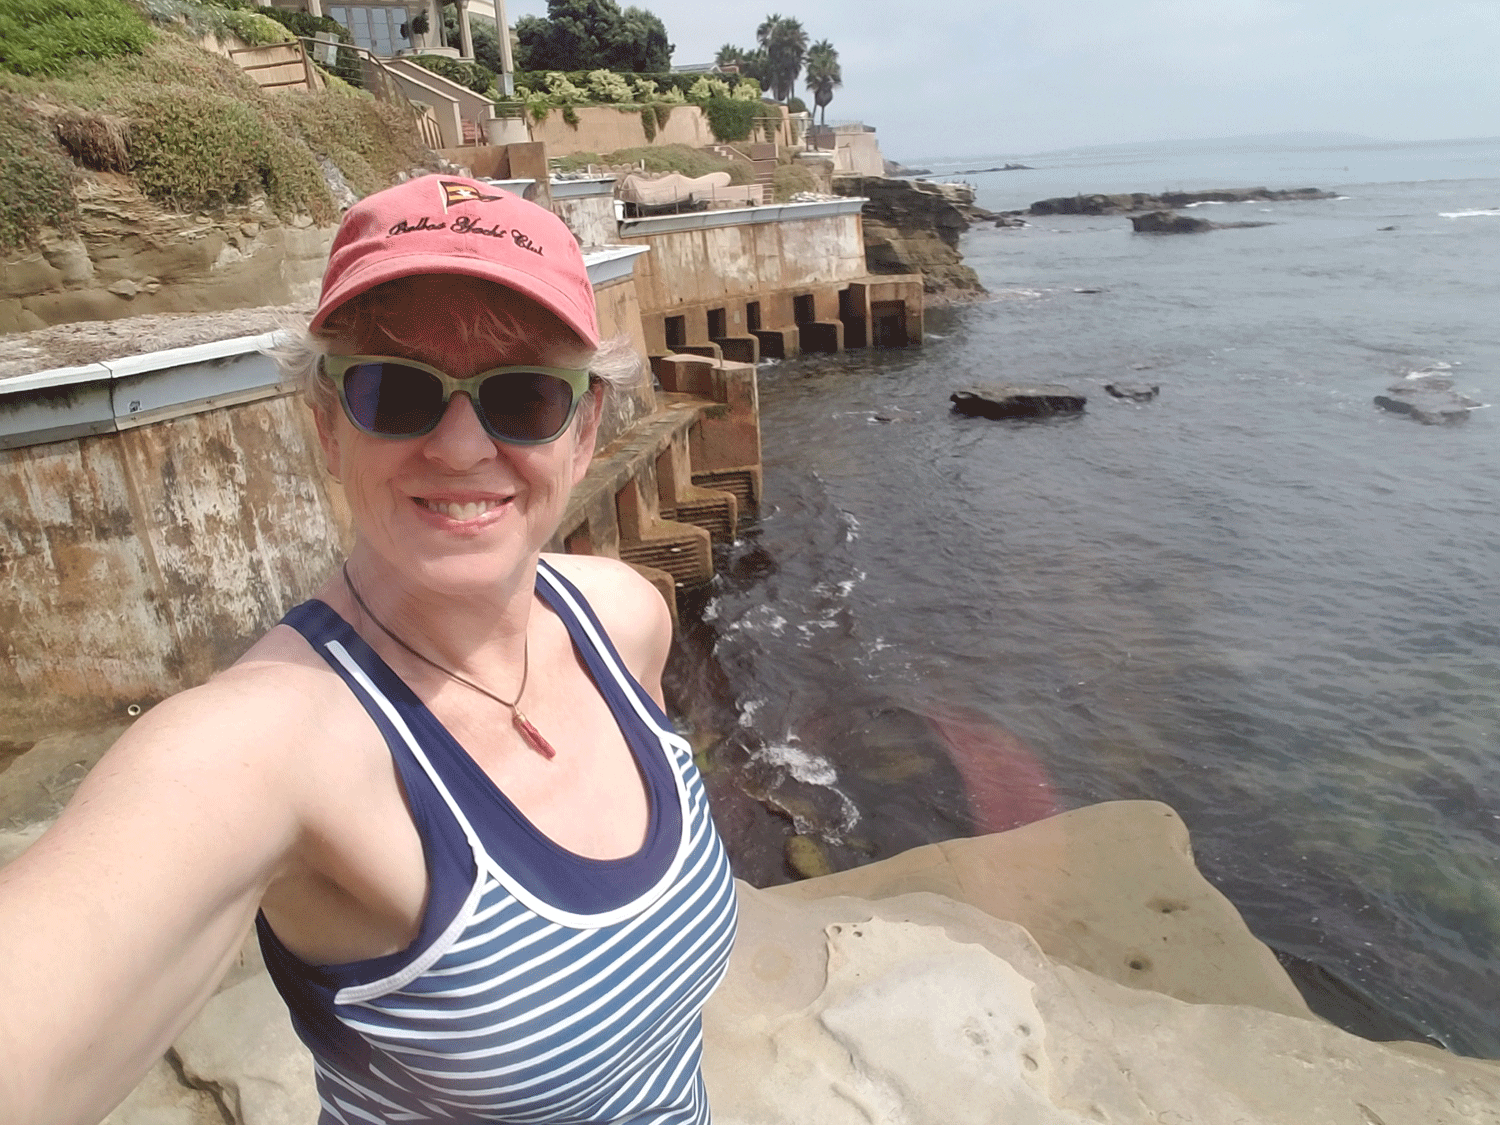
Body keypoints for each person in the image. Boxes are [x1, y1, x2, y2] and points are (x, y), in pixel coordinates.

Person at [0, 175, 739, 1125]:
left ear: (584, 429)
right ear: (327, 424)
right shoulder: (274, 745)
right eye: (396, 391)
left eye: (523, 395)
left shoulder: (622, 617)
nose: (462, 447)